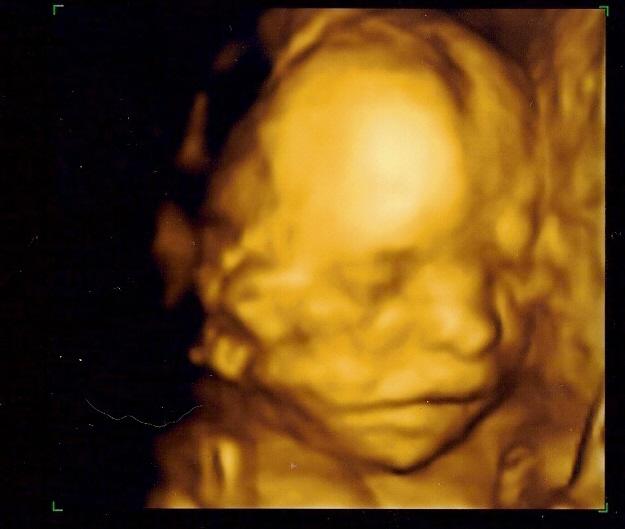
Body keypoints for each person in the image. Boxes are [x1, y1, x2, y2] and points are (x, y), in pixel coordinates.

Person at [148, 8, 604, 508]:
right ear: (226, 318)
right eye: (381, 285)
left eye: (506, 271)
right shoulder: (230, 486)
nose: (471, 329)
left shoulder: (516, 443)